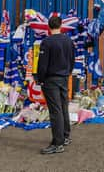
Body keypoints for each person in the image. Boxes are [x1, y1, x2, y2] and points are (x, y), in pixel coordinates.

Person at [35, 15, 74, 155]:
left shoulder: (47, 42)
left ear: (49, 27)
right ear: (61, 25)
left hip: (51, 79)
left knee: (55, 110)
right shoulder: (68, 41)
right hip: (64, 77)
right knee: (63, 107)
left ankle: (57, 143)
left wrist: (40, 79)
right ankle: (65, 136)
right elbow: (72, 59)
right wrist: (67, 72)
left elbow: (42, 64)